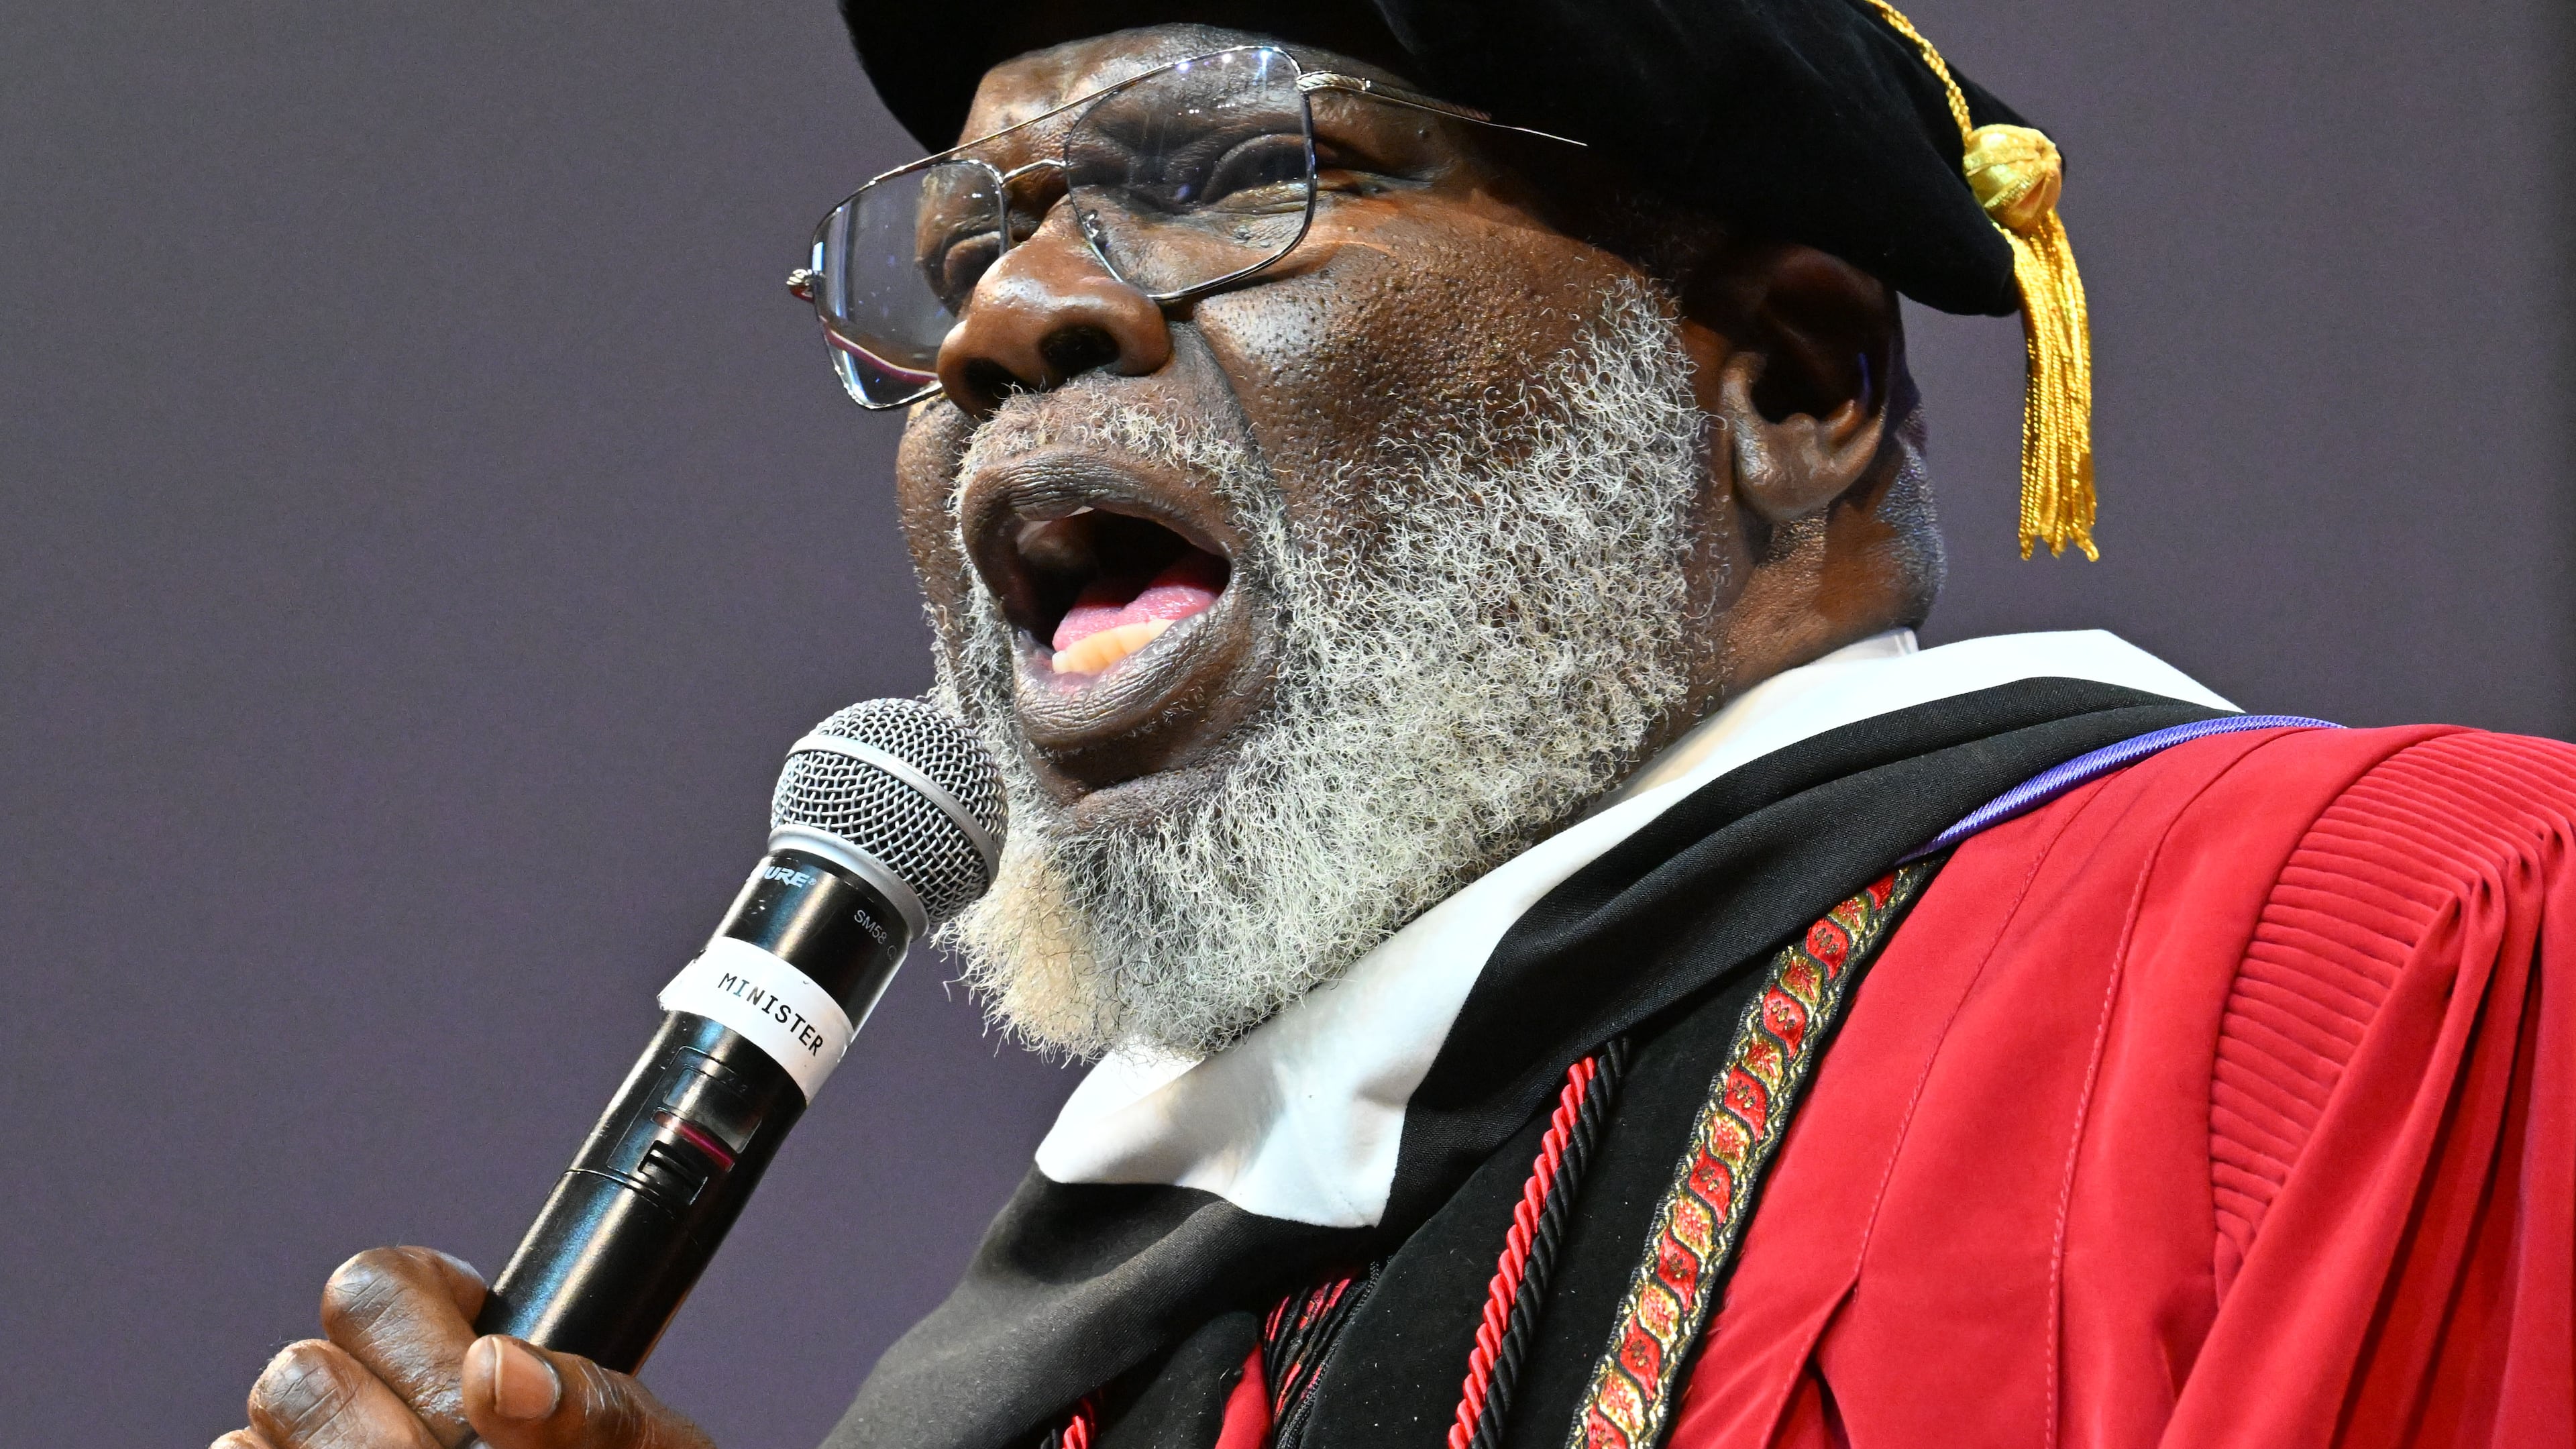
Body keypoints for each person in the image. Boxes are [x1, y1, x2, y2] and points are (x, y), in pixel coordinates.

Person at [215, 3, 2576, 1448]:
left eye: (1231, 178)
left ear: (1785, 382)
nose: (1013, 315)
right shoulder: (1101, 1345)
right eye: (966, 253)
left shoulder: (2370, 956)